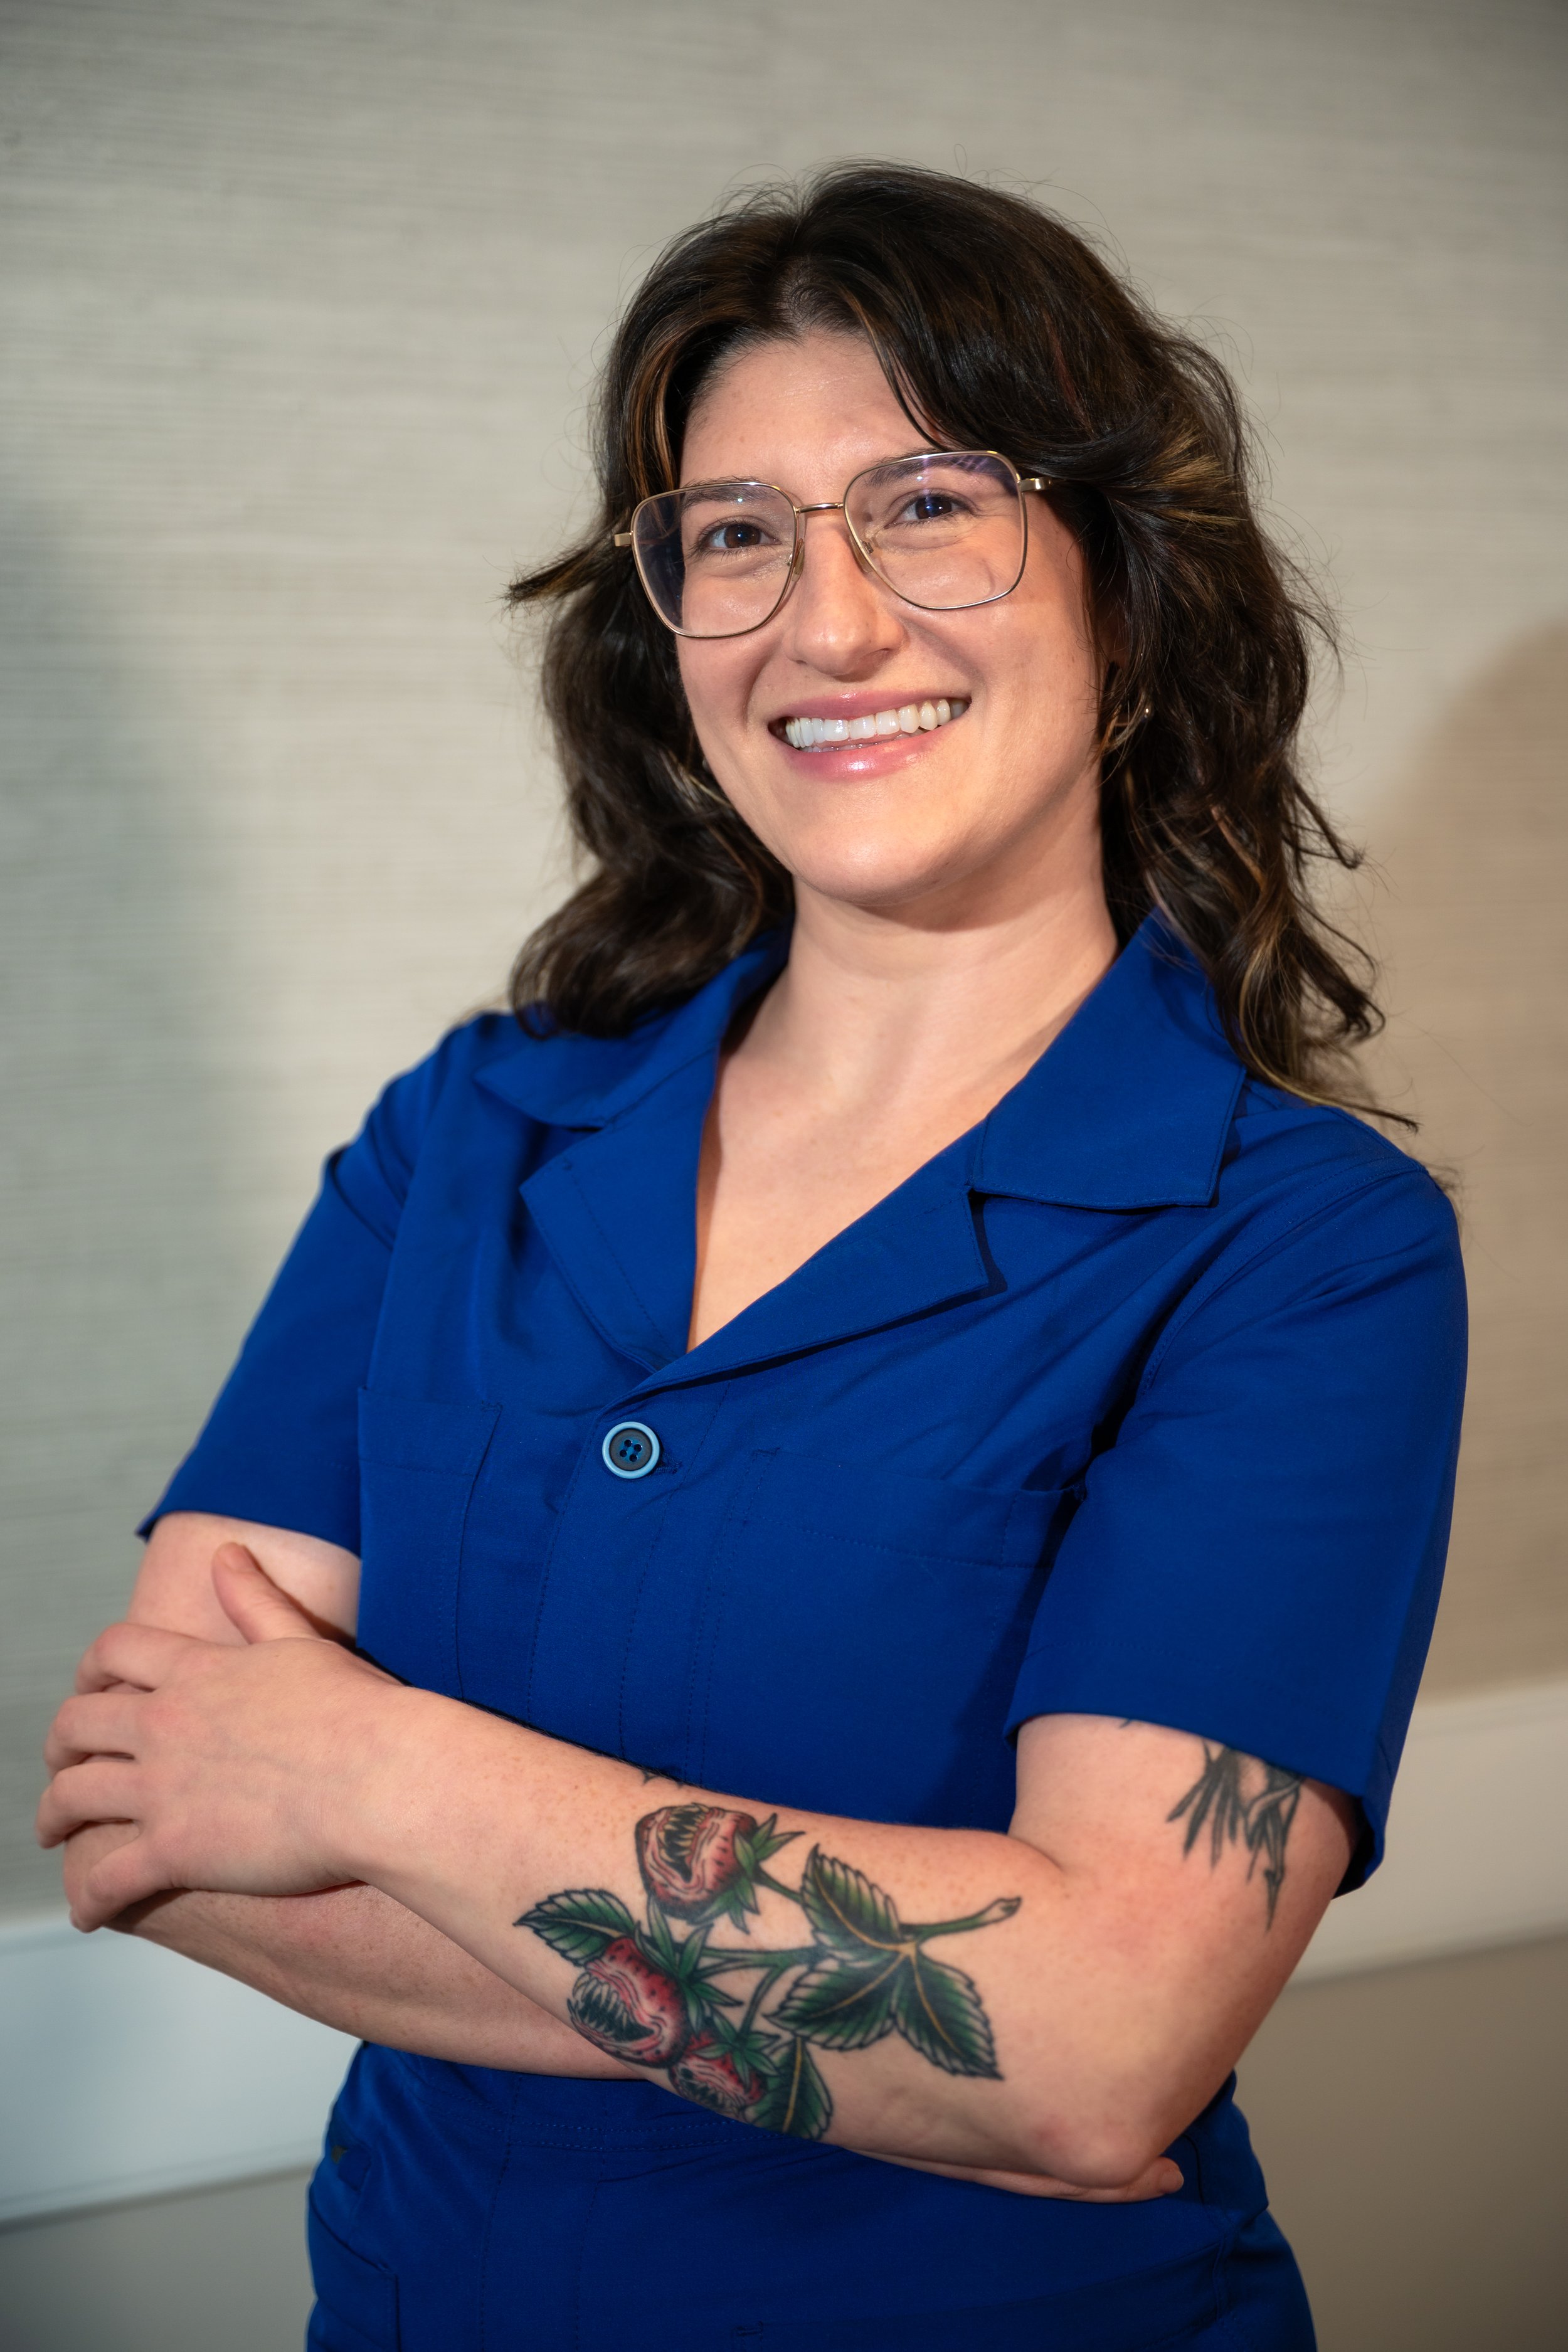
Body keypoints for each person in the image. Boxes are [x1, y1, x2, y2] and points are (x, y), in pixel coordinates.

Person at [38, 164, 1465, 2351]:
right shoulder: (469, 1138)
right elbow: (147, 1825)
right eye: (735, 535)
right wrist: (943, 2050)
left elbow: (1097, 2064)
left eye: (925, 507)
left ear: (1125, 594)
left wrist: (364, 1770)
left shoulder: (1301, 1256)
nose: (830, 623)